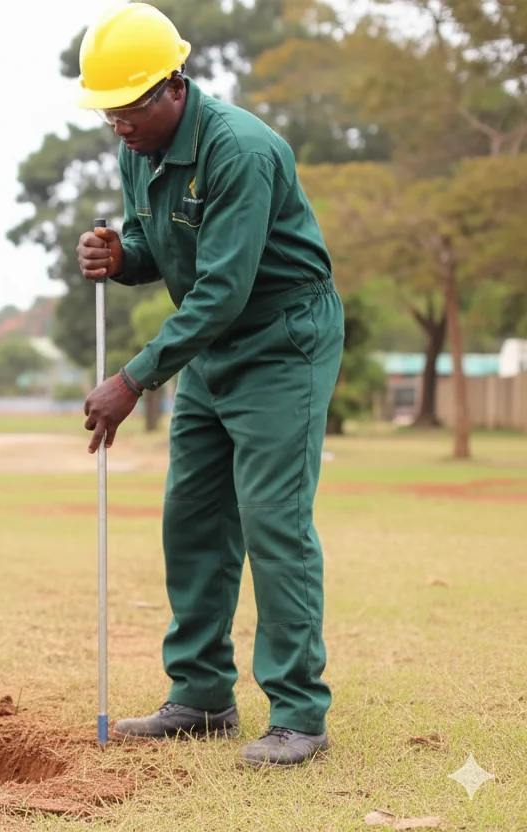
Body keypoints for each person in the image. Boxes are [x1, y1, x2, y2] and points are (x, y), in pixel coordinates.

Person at [72, 2, 345, 768]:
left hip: (281, 338)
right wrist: (120, 256)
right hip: (212, 348)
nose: (118, 125)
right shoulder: (138, 149)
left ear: (172, 87)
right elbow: (160, 245)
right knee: (191, 518)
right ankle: (200, 697)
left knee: (273, 521)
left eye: (128, 108)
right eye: (108, 112)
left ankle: (298, 715)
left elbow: (223, 289)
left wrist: (132, 379)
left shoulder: (241, 151)